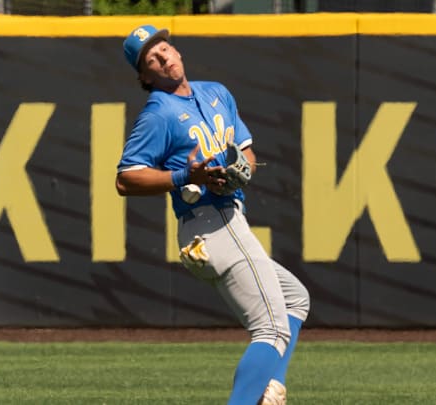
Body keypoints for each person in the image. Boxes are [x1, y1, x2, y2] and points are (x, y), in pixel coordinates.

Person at [116, 24, 310, 405]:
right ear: (144, 75)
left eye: (164, 48)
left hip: (227, 219)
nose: (163, 57)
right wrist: (186, 175)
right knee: (270, 329)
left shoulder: (215, 92)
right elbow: (126, 179)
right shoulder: (159, 113)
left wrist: (242, 170)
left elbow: (247, 152)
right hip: (209, 222)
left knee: (295, 299)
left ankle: (269, 389)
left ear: (177, 52)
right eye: (151, 58)